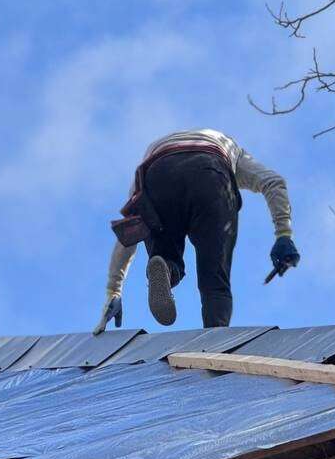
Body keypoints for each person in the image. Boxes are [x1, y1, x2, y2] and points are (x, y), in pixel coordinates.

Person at [95, 128, 300, 333]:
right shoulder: (230, 147)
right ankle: (215, 337)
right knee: (214, 276)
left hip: (158, 172)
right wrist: (284, 234)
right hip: (210, 171)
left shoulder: (155, 146)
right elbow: (274, 182)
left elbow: (131, 229)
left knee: (164, 249)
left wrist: (114, 290)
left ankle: (165, 266)